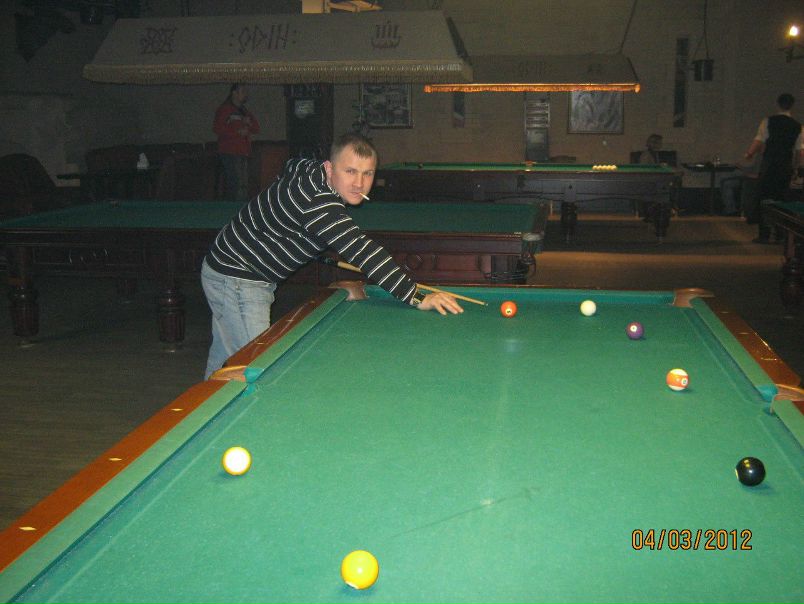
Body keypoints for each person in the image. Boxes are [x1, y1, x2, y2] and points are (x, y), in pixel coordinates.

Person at [201, 133, 463, 378]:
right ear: (329, 168)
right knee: (256, 366)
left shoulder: (311, 172)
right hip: (239, 277)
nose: (359, 183)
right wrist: (416, 296)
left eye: (367, 173)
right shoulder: (319, 203)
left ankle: (200, 407)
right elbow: (362, 250)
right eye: (350, 171)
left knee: (228, 359)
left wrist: (286, 227)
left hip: (230, 267)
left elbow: (291, 165)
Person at [743, 93, 803, 243]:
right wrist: (797, 169)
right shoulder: (797, 126)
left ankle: (764, 234)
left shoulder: (768, 121)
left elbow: (759, 140)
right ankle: (781, 235)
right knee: (782, 200)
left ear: (778, 104)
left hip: (769, 164)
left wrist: (749, 154)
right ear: (792, 106)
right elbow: (799, 151)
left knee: (764, 198)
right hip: (785, 166)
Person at [213, 83, 261, 201]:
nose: (246, 94)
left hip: (244, 152)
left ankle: (241, 209)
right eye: (243, 91)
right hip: (230, 152)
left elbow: (256, 128)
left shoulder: (244, 111)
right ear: (234, 93)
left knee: (244, 185)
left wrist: (249, 123)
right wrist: (237, 132)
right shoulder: (225, 109)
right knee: (235, 184)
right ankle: (232, 209)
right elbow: (217, 128)